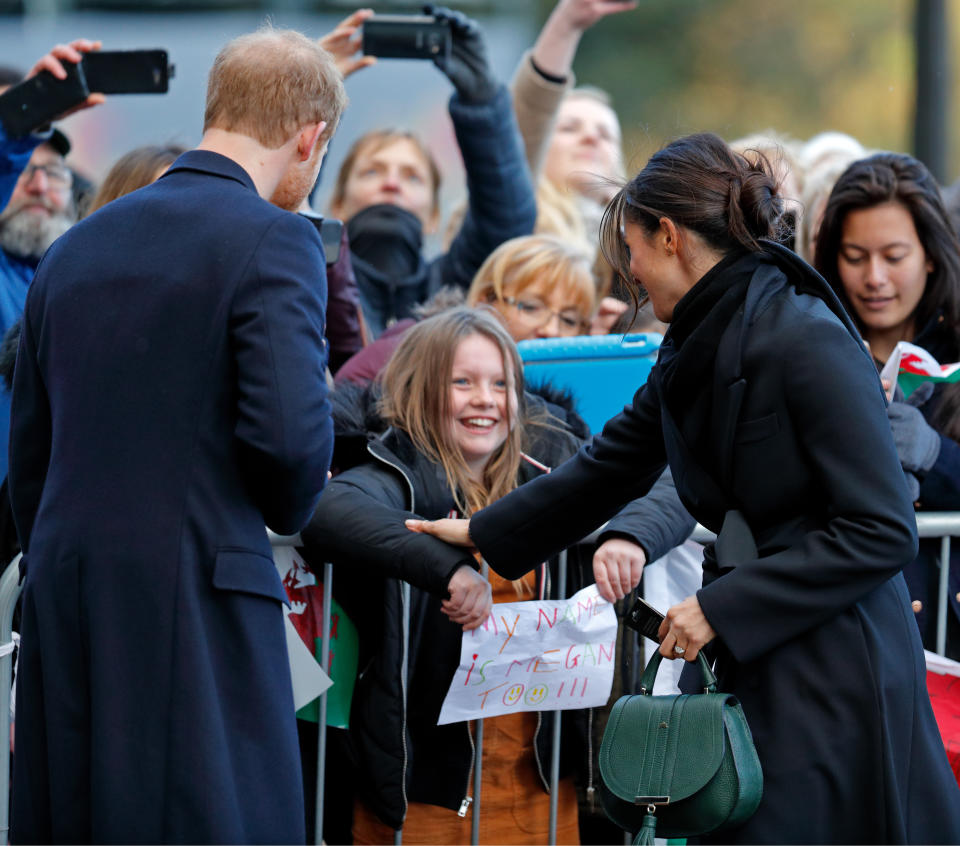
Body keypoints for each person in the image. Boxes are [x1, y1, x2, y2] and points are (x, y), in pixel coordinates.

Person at [407, 132, 960, 843]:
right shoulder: (702, 332)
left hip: (837, 673)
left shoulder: (805, 335)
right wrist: (486, 532)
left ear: (669, 237)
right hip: (763, 655)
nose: (630, 274)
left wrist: (723, 608)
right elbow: (616, 460)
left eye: (632, 250)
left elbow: (880, 529)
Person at [9, 27, 345, 843]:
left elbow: (28, 454)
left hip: (66, 595)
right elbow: (291, 449)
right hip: (198, 598)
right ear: (312, 138)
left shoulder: (73, 249)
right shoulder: (277, 238)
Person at [302, 307, 592, 844]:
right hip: (425, 791)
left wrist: (629, 537)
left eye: (500, 383)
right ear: (420, 388)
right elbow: (328, 511)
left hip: (540, 786)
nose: (485, 399)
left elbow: (661, 486)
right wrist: (451, 568)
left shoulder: (552, 468)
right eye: (462, 382)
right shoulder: (390, 469)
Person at [813, 152, 960, 659]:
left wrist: (934, 455)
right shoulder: (803, 346)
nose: (874, 277)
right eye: (856, 256)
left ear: (931, 255)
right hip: (839, 639)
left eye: (894, 256)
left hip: (945, 633)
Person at [326, 5, 537, 338]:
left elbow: (507, 222)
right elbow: (282, 203)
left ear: (434, 216)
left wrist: (481, 100)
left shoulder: (455, 289)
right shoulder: (311, 277)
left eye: (412, 177)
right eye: (372, 172)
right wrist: (314, 94)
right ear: (336, 205)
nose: (392, 183)